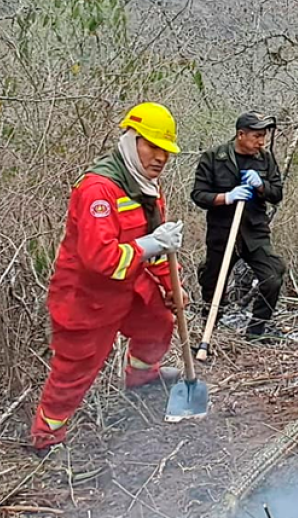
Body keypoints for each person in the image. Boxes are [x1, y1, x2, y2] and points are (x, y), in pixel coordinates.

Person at [30, 102, 188, 454]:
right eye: (152, 146)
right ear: (131, 140)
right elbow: (100, 259)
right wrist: (150, 244)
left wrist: (170, 283)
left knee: (158, 321)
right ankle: (47, 437)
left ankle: (143, 378)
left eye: (166, 150)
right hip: (87, 295)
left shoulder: (147, 186)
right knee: (76, 368)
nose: (160, 157)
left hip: (129, 283)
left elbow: (156, 239)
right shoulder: (97, 191)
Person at [190, 111, 286, 341]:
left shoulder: (265, 159)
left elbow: (277, 194)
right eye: (256, 136)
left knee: (273, 276)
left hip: (254, 231)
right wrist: (227, 197)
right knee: (214, 285)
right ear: (240, 135)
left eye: (263, 136)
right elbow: (198, 195)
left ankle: (256, 332)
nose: (261, 142)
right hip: (222, 232)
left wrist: (261, 185)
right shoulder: (214, 157)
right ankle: (208, 333)